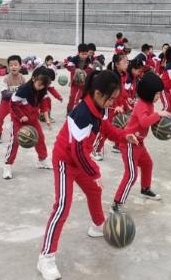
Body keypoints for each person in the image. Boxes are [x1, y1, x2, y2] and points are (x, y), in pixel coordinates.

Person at [37, 71, 138, 280]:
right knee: (62, 206)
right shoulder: (82, 113)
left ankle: (97, 225)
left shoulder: (98, 107)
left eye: (114, 99)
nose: (112, 102)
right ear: (98, 92)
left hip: (79, 160)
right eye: (110, 98)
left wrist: (124, 136)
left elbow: (106, 128)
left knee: (95, 190)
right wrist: (94, 171)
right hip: (65, 161)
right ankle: (45, 257)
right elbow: (77, 152)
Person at [112, 73, 171, 214]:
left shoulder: (149, 104)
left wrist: (168, 120)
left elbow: (151, 119)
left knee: (147, 164)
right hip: (129, 143)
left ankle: (145, 188)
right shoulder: (141, 105)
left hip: (138, 143)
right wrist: (159, 114)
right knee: (131, 175)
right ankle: (117, 203)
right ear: (148, 93)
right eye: (157, 94)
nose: (158, 96)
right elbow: (145, 121)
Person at [1, 67, 55, 179]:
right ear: (33, 78)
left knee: (40, 137)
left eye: (44, 86)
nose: (41, 88)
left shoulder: (42, 89)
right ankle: (8, 165)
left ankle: (42, 160)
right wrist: (21, 116)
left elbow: (44, 103)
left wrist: (47, 119)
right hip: (19, 120)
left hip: (33, 119)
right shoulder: (23, 90)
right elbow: (13, 104)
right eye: (40, 84)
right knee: (15, 141)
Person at [0, 55, 25, 142]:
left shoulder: (22, 78)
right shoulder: (6, 79)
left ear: (20, 66)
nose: (13, 67)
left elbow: (26, 91)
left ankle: (18, 134)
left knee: (18, 119)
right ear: (8, 67)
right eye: (11, 65)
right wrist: (16, 94)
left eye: (15, 65)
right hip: (6, 102)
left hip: (17, 104)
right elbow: (4, 93)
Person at [63, 44, 94, 114]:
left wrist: (83, 72)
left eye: (86, 54)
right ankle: (69, 111)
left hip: (83, 82)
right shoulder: (74, 59)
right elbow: (69, 66)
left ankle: (85, 110)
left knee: (85, 96)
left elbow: (91, 69)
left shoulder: (88, 60)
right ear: (78, 53)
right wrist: (76, 70)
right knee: (72, 97)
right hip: (75, 82)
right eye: (82, 54)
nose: (84, 56)